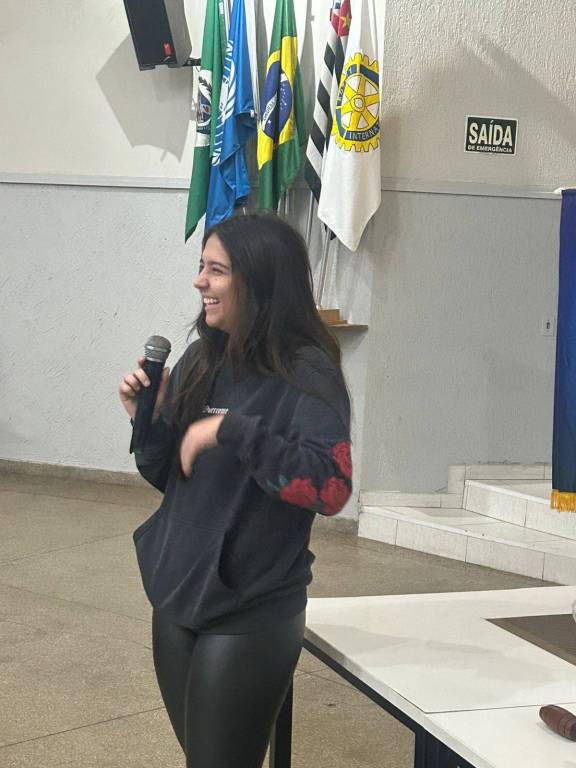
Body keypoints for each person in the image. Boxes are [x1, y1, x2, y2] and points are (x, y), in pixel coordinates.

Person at [118, 212, 352, 768]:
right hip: (178, 595)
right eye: (202, 266)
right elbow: (174, 478)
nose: (199, 281)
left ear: (259, 280)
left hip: (250, 609)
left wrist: (235, 431)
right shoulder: (203, 359)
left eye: (216, 270)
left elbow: (330, 488)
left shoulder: (307, 372)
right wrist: (147, 421)